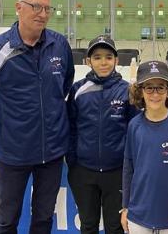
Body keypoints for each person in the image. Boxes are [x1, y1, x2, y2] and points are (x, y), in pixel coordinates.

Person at [0, 0, 74, 234]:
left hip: (51, 152)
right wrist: (10, 128)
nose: (43, 14)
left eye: (48, 8)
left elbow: (64, 85)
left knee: (43, 218)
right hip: (13, 154)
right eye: (36, 7)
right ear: (18, 8)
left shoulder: (59, 45)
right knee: (7, 219)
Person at [121, 60, 168, 234]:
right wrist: (125, 207)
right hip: (138, 216)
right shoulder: (134, 125)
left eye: (160, 87)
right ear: (140, 91)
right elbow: (128, 169)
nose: (155, 94)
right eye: (149, 87)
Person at [67, 35, 133, 234]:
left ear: (116, 60)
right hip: (84, 171)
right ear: (88, 61)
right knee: (88, 225)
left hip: (117, 172)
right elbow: (70, 128)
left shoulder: (127, 91)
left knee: (115, 227)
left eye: (108, 57)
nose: (103, 62)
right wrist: (73, 162)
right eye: (97, 57)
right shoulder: (78, 90)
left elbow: (134, 131)